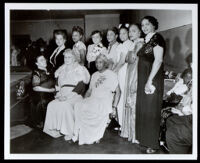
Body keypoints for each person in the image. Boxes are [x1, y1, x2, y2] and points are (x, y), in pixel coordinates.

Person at [43, 49, 90, 141]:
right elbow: (57, 86)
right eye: (65, 57)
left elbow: (81, 87)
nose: (67, 59)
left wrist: (67, 97)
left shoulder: (80, 69)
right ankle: (55, 130)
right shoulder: (61, 70)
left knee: (65, 105)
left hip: (75, 95)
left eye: (69, 57)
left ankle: (70, 131)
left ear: (74, 59)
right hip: (62, 94)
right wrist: (58, 95)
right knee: (51, 105)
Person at [72, 54, 119, 145]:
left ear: (105, 63)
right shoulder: (94, 75)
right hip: (93, 99)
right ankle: (78, 133)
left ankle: (94, 135)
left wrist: (114, 107)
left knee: (91, 108)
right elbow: (89, 91)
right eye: (96, 62)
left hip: (104, 100)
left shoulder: (111, 74)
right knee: (79, 105)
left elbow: (118, 91)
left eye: (100, 62)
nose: (98, 64)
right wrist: (84, 100)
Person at [135, 16, 166, 153]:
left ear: (154, 25)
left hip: (152, 79)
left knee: (151, 111)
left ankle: (153, 144)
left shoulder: (157, 38)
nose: (144, 27)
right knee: (145, 110)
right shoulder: (147, 40)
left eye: (147, 24)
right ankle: (145, 139)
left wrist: (149, 80)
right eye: (142, 25)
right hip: (144, 79)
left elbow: (158, 61)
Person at [120, 24, 144, 143]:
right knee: (130, 103)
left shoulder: (139, 44)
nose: (130, 33)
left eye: (134, 31)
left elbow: (132, 61)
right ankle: (130, 132)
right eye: (130, 31)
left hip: (135, 76)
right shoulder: (135, 44)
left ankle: (135, 135)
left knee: (133, 103)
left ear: (140, 32)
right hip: (131, 74)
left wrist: (134, 82)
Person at [115, 24, 135, 128]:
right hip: (122, 70)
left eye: (124, 33)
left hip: (123, 71)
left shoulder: (128, 44)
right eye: (120, 33)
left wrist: (113, 72)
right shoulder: (123, 44)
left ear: (128, 33)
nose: (122, 35)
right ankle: (122, 123)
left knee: (123, 95)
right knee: (122, 94)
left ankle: (123, 124)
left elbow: (122, 61)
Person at [29, 54, 55, 128]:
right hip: (41, 96)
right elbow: (35, 87)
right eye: (41, 60)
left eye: (44, 59)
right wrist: (50, 90)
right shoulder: (36, 73)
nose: (44, 61)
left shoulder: (49, 70)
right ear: (37, 63)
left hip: (50, 94)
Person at [165, 85, 192, 154]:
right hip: (190, 116)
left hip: (191, 119)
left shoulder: (185, 88)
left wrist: (182, 111)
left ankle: (176, 144)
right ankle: (176, 148)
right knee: (171, 120)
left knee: (172, 133)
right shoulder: (189, 90)